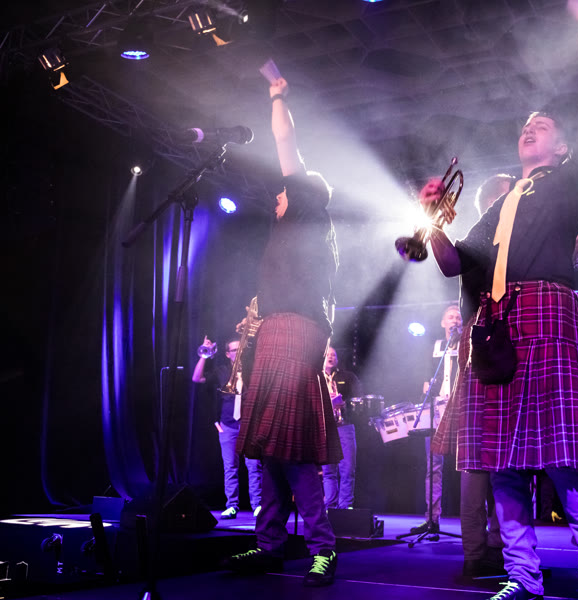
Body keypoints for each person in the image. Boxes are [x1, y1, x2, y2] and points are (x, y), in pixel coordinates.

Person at [422, 3, 578, 598]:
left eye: (543, 125)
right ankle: (523, 576)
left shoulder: (567, 182)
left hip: (547, 314)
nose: (530, 127)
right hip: (497, 326)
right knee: (503, 464)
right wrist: (431, 223)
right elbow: (456, 262)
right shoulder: (501, 203)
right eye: (525, 125)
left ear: (561, 148)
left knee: (562, 457)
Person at [222, 75, 342, 587]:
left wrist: (276, 94)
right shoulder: (288, 229)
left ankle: (322, 548)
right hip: (275, 332)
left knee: (292, 450)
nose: (276, 199)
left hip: (295, 332)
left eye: (283, 195)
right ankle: (270, 544)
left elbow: (285, 143)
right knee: (270, 448)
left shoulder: (307, 213)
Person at [435, 177, 513, 577]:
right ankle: (490, 551)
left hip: (484, 343)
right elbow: (450, 264)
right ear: (496, 200)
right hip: (490, 341)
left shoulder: (482, 238)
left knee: (482, 458)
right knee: (494, 458)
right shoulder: (489, 234)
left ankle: (480, 553)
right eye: (513, 191)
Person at [192, 336, 263, 519]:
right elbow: (197, 378)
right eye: (234, 350)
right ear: (227, 354)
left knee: (254, 466)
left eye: (240, 349)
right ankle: (232, 505)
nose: (238, 353)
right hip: (228, 425)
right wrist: (204, 355)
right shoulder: (221, 371)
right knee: (230, 467)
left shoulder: (252, 369)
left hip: (249, 425)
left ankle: (257, 505)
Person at [410, 304, 462, 534]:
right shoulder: (436, 347)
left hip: (461, 408)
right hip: (438, 409)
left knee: (470, 466)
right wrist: (426, 385)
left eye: (458, 317)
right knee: (433, 467)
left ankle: (475, 523)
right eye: (450, 317)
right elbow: (426, 374)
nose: (455, 320)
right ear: (443, 323)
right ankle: (432, 519)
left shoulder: (467, 345)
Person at [322, 346, 362, 509]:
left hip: (344, 426)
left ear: (337, 359)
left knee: (347, 469)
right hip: (325, 428)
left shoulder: (348, 377)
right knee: (328, 470)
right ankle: (330, 507)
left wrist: (345, 404)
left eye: (333, 355)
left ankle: (345, 507)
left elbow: (358, 399)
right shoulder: (316, 378)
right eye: (328, 354)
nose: (330, 357)